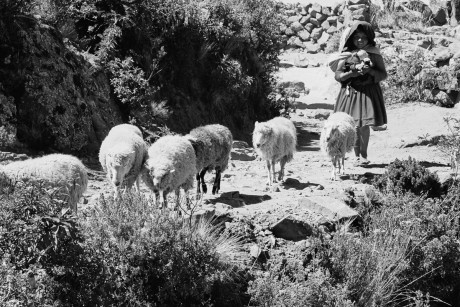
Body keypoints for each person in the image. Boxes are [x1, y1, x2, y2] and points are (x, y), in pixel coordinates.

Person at [331, 21, 388, 166]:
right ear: (351, 38)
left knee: (364, 125)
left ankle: (363, 155)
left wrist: (370, 71)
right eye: (357, 37)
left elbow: (383, 74)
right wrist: (351, 74)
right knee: (353, 125)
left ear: (369, 38)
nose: (360, 40)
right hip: (350, 93)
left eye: (363, 37)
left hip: (368, 93)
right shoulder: (345, 55)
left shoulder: (374, 54)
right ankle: (355, 156)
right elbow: (338, 76)